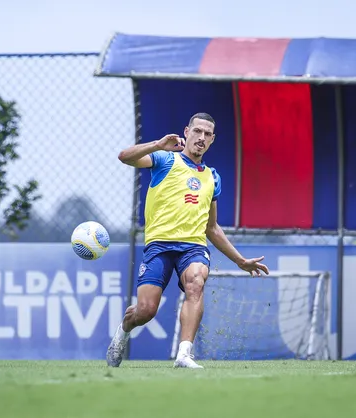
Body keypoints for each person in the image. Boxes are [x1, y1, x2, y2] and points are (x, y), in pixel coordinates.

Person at [106, 112, 270, 369]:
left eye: (207, 134)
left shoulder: (212, 177)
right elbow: (124, 157)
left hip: (193, 247)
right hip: (159, 245)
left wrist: (240, 261)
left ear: (212, 139)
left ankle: (184, 354)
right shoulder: (164, 160)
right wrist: (158, 144)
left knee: (196, 283)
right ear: (186, 131)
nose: (201, 137)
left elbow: (212, 228)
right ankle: (124, 329)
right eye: (197, 131)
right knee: (147, 310)